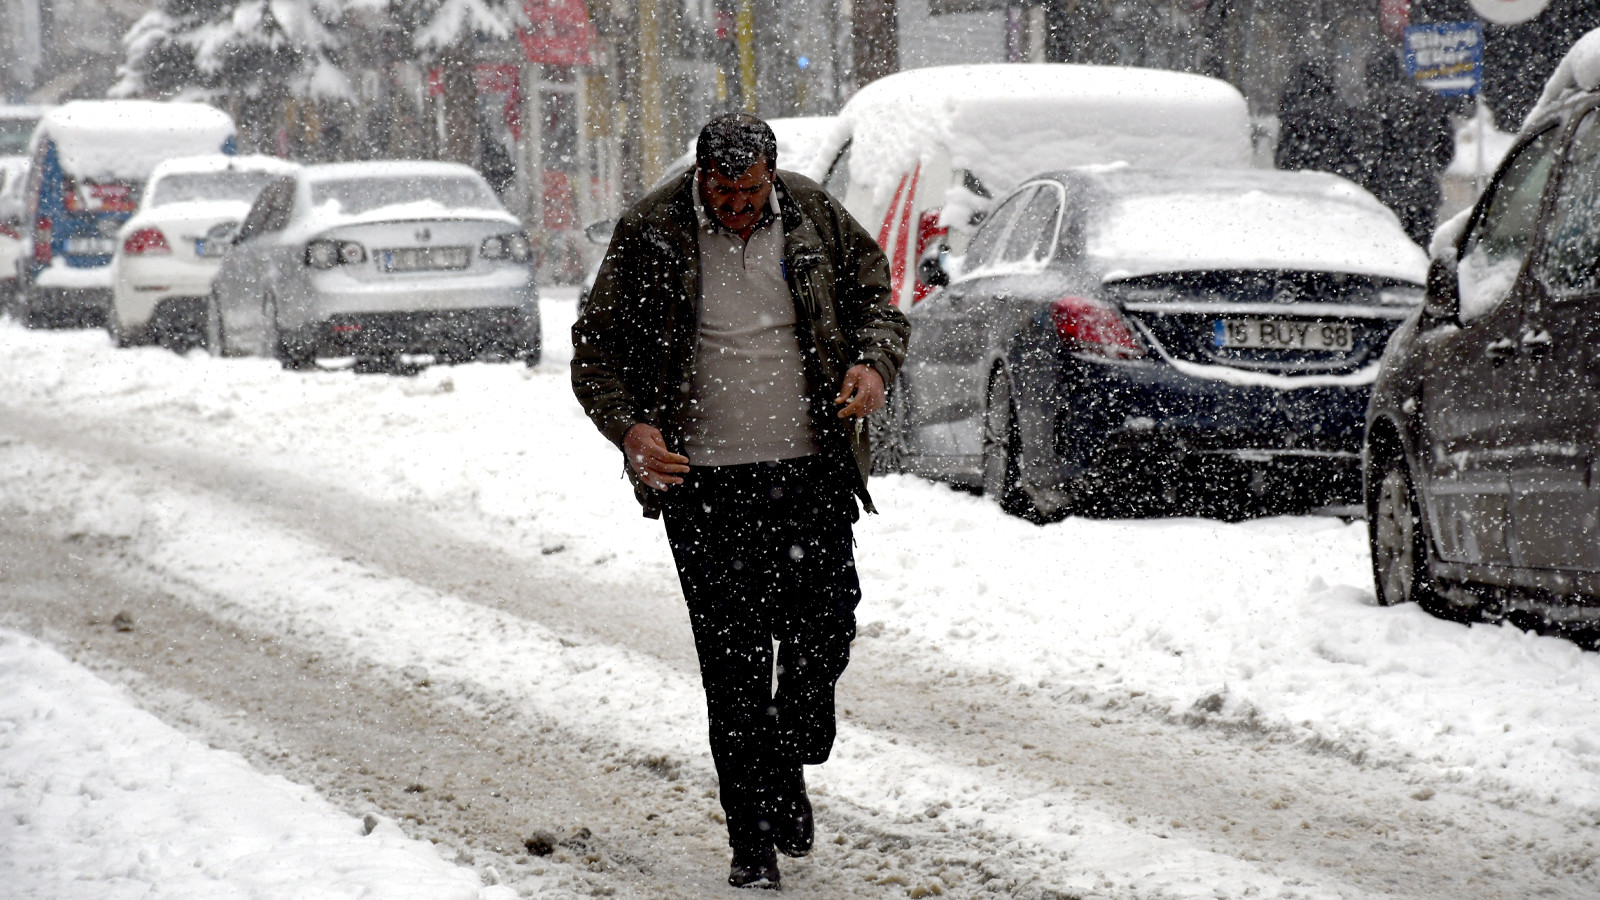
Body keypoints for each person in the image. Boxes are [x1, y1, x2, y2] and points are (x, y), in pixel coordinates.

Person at [571, 113, 910, 889]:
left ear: (771, 174)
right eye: (723, 193)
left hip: (811, 471)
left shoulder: (812, 213)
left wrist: (872, 365)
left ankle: (789, 752)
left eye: (750, 191)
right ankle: (751, 841)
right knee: (733, 666)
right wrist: (631, 428)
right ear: (700, 178)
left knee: (824, 630)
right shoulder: (652, 230)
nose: (736, 207)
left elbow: (877, 301)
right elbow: (597, 352)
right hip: (705, 485)